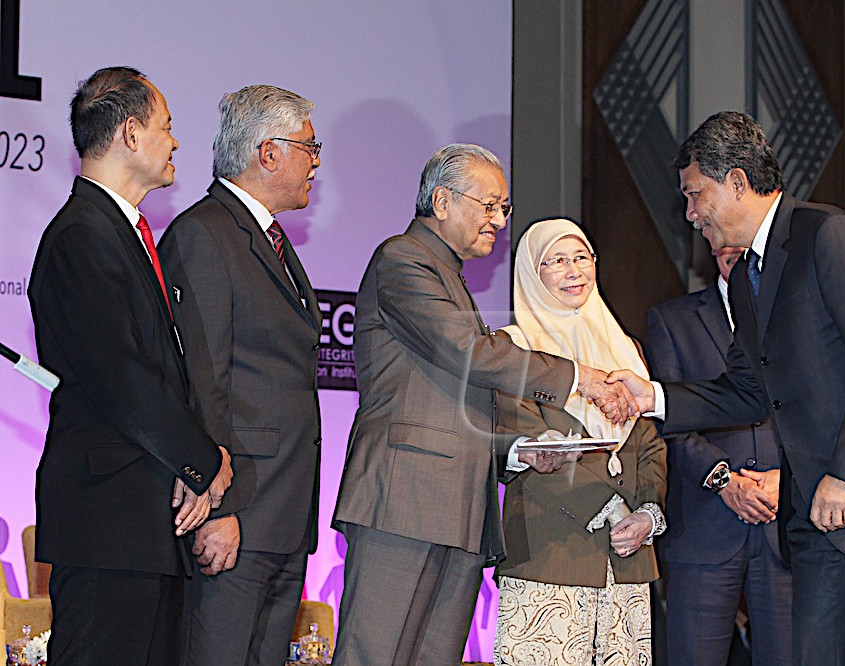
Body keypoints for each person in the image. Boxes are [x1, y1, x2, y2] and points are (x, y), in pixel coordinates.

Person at [606, 111, 845, 665]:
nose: (690, 214)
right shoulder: (747, 277)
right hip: (815, 516)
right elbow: (746, 390)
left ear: (736, 182)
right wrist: (651, 397)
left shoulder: (827, 234)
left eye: (695, 195)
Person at [331, 144, 637, 665]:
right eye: (489, 205)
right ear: (443, 201)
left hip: (460, 507)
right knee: (374, 655)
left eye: (504, 207)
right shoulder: (403, 258)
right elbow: (468, 352)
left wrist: (517, 452)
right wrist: (579, 378)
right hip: (405, 501)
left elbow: (455, 404)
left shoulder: (448, 274)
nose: (499, 220)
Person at [27, 66, 232, 666]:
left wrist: (190, 465)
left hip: (142, 521)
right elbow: (125, 378)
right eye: (167, 126)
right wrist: (202, 462)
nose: (176, 142)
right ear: (131, 134)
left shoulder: (119, 232)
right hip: (108, 521)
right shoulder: (82, 235)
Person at [157, 85, 323, 666]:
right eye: (309, 146)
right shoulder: (205, 233)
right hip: (236, 516)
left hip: (282, 517)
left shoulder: (267, 238)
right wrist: (221, 507)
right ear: (268, 152)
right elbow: (202, 382)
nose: (316, 161)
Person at [492, 218, 667, 666]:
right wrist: (609, 507)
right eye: (556, 261)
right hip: (549, 552)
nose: (573, 271)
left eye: (581, 258)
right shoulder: (512, 348)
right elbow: (529, 443)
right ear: (531, 272)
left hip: (627, 559)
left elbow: (649, 442)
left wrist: (647, 513)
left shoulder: (625, 347)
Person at [645, 245, 791, 665]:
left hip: (785, 524)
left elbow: (818, 413)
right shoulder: (673, 320)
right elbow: (665, 416)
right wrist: (723, 479)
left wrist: (788, 478)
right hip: (704, 525)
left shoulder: (798, 316)